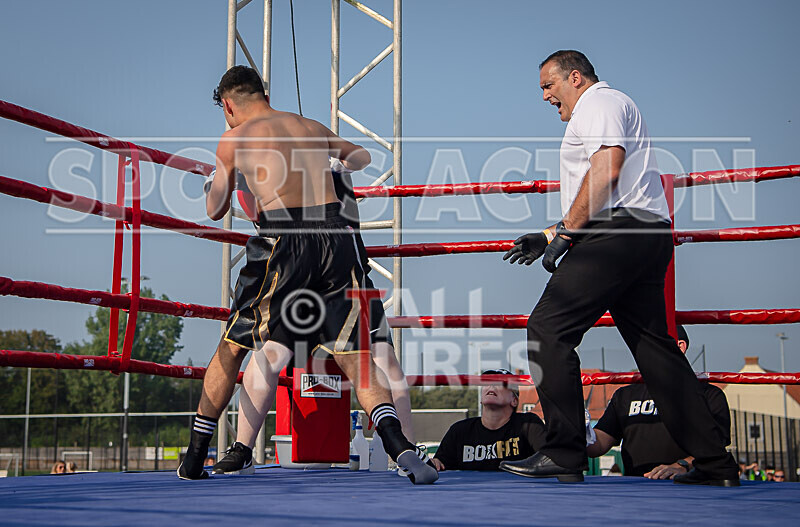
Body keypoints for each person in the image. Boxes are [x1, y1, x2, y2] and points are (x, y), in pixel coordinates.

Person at [178, 66, 434, 485]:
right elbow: (361, 157)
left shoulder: (235, 138)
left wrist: (217, 180)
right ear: (263, 92)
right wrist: (330, 164)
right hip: (338, 238)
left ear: (228, 105)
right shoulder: (311, 126)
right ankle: (399, 445)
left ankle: (194, 455)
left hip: (285, 240)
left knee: (234, 343)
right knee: (355, 353)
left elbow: (215, 210)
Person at [499, 50, 739, 486]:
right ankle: (715, 464)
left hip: (618, 235)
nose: (546, 96)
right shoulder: (600, 108)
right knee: (657, 352)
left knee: (547, 330)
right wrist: (552, 234)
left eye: (548, 86)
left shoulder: (600, 103)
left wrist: (568, 234)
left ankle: (564, 452)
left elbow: (607, 172)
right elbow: (608, 191)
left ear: (575, 77)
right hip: (642, 234)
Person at [586, 326, 732, 479]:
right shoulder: (625, 395)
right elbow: (599, 444)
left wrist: (683, 465)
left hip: (686, 487)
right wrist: (579, 429)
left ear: (680, 346)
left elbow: (716, 450)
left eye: (653, 343)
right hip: (636, 489)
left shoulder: (709, 395)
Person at [432, 369, 546, 471]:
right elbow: (440, 464)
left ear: (514, 400)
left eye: (500, 383)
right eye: (487, 383)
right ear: (481, 398)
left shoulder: (528, 424)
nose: (491, 386)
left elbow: (549, 458)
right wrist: (435, 463)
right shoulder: (460, 430)